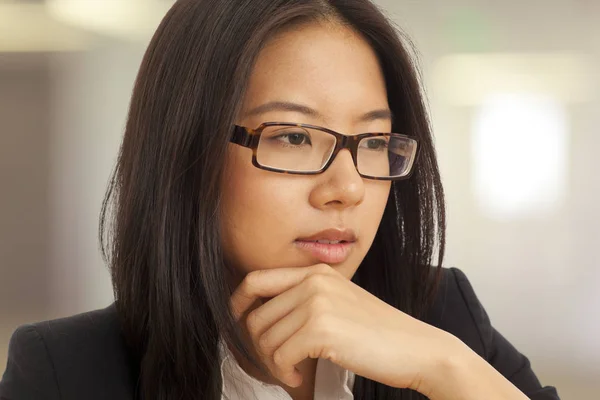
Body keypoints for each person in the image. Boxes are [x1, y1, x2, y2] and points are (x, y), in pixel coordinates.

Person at [0, 0, 561, 399]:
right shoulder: (67, 371)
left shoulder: (442, 318)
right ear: (186, 150)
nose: (346, 189)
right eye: (293, 136)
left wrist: (444, 368)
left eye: (373, 142)